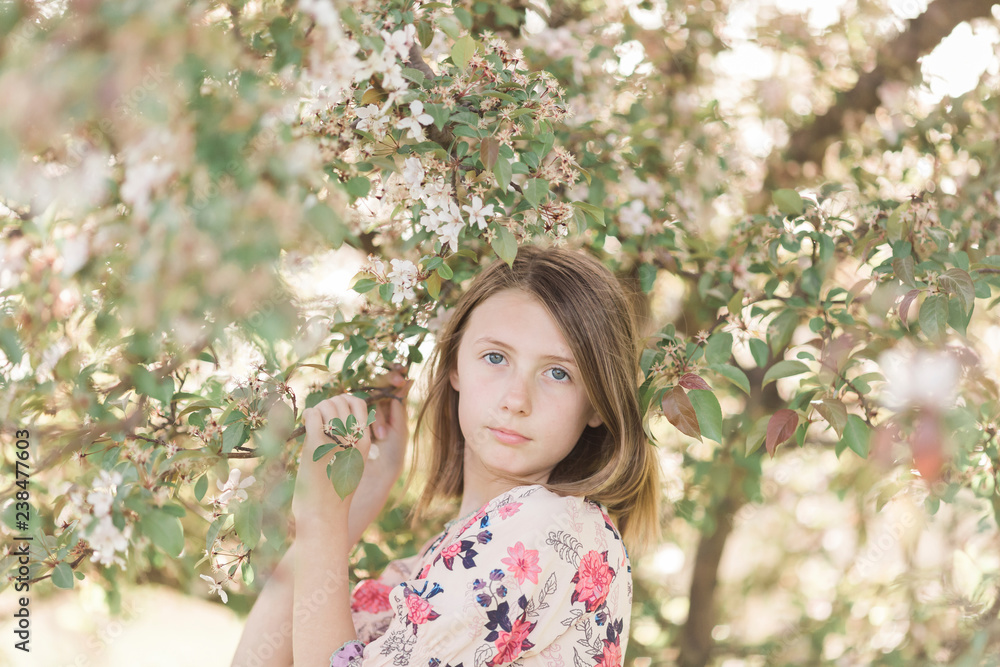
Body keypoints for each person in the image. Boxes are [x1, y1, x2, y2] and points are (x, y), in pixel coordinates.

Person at [231, 243, 661, 667]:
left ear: (597, 404)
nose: (516, 399)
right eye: (495, 357)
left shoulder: (551, 528)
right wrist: (367, 487)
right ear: (455, 365)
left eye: (558, 373)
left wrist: (323, 518)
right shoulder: (454, 552)